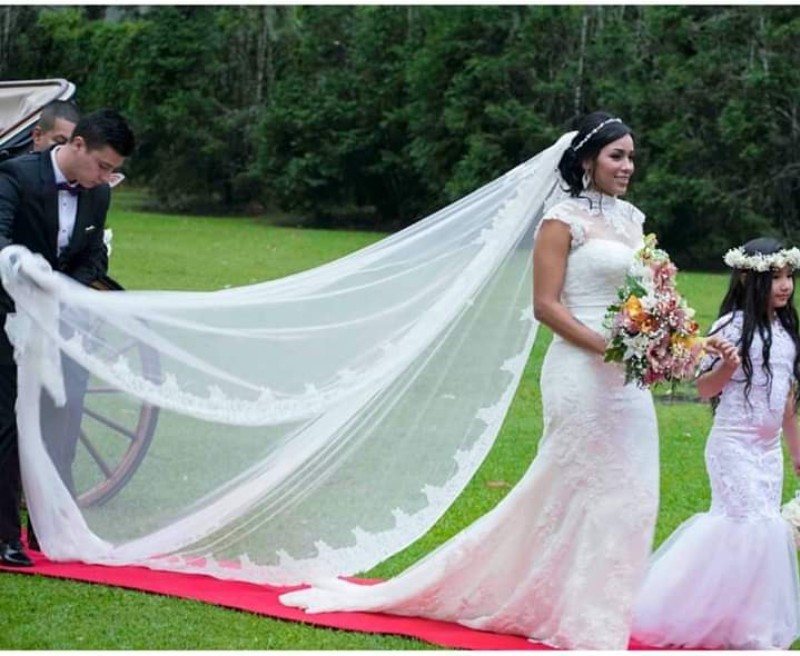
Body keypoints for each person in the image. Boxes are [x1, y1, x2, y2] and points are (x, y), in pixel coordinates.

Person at [280, 112, 663, 649]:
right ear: (585, 160)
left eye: (631, 156)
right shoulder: (561, 220)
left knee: (635, 496)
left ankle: (592, 609)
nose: (627, 166)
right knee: (590, 491)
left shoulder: (632, 220)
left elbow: (644, 297)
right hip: (581, 372)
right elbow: (546, 306)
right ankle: (586, 624)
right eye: (616, 156)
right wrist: (608, 347)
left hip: (628, 379)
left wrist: (660, 338)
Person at [632, 237, 800, 649]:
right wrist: (727, 366)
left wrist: (797, 454)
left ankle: (747, 622)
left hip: (767, 452)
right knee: (749, 525)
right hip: (734, 445)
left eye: (789, 276)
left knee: (764, 529)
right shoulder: (730, 327)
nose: (785, 285)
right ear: (747, 279)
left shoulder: (786, 331)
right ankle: (688, 612)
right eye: (775, 277)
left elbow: (788, 404)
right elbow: (705, 389)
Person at [0, 108, 135, 567]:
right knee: (6, 424)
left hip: (61, 323)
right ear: (77, 145)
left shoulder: (99, 194)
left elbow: (94, 257)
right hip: (6, 316)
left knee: (62, 420)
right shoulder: (17, 176)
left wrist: (61, 293)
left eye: (113, 171)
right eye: (102, 166)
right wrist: (26, 277)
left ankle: (49, 528)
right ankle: (5, 536)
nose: (105, 177)